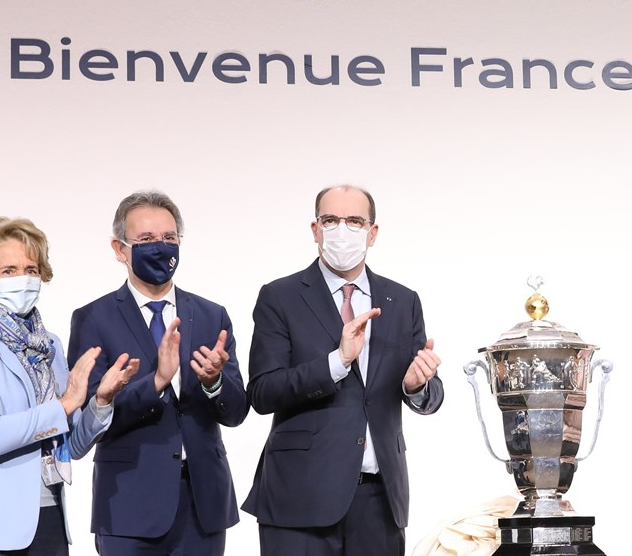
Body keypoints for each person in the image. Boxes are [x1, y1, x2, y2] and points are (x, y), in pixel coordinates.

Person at [241, 185, 446, 556]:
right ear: (315, 229)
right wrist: (337, 362)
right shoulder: (280, 296)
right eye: (331, 220)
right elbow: (262, 392)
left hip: (380, 499)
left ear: (372, 232)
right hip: (298, 497)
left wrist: (417, 386)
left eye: (354, 221)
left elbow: (430, 396)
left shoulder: (402, 301)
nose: (342, 230)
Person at [0, 217, 140, 555]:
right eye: (8, 270)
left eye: (31, 270)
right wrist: (64, 405)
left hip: (46, 517)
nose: (22, 278)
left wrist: (101, 400)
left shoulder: (48, 345)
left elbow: (72, 445)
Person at [69, 191, 251, 556]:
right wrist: (155, 383)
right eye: (146, 239)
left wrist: (214, 382)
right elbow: (88, 419)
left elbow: (236, 413)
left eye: (169, 238)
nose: (160, 247)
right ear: (120, 249)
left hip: (203, 504)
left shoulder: (211, 315)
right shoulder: (93, 319)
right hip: (128, 504)